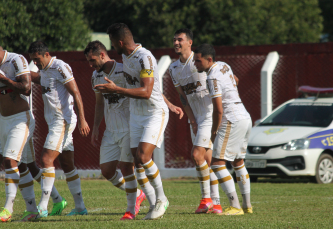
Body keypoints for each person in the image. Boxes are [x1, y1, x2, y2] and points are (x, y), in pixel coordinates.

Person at [95, 23, 183, 220]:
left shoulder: (145, 57)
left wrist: (117, 90)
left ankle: (162, 199)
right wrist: (169, 102)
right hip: (136, 114)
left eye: (112, 42)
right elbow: (145, 85)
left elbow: (147, 91)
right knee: (137, 161)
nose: (111, 47)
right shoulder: (126, 57)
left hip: (153, 113)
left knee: (143, 157)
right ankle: (153, 204)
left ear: (119, 42)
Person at [84, 40, 147, 220]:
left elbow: (146, 88)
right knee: (107, 171)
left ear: (102, 55)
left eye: (92, 60)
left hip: (128, 127)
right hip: (110, 130)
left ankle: (130, 210)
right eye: (88, 61)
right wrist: (96, 126)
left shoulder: (124, 70)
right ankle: (138, 194)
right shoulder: (95, 76)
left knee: (127, 167)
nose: (90, 64)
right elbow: (99, 102)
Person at [28, 41, 90, 216]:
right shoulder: (45, 70)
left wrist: (83, 119)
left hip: (62, 120)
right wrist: (24, 74)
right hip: (55, 121)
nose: (36, 62)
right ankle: (80, 207)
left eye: (37, 59)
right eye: (33, 60)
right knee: (67, 164)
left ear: (46, 54)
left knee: (46, 160)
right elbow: (42, 80)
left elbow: (76, 92)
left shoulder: (60, 66)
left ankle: (43, 206)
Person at [194, 44, 252, 215]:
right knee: (238, 162)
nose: (196, 64)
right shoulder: (224, 65)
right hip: (245, 116)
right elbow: (236, 80)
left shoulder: (211, 78)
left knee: (217, 164)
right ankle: (247, 205)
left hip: (231, 119)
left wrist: (214, 131)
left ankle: (235, 206)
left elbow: (219, 110)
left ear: (209, 59)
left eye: (198, 61)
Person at [169, 29, 222, 214]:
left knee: (197, 155)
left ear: (189, 42)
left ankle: (205, 199)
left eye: (180, 39)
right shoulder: (173, 68)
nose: (176, 42)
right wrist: (192, 120)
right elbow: (182, 97)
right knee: (208, 161)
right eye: (174, 39)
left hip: (209, 114)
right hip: (197, 118)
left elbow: (223, 76)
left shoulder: (200, 60)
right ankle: (217, 203)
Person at [0, 43, 39, 222]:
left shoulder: (16, 59)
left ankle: (8, 209)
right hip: (2, 120)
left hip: (20, 119)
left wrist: (4, 80)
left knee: (11, 161)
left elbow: (26, 88)